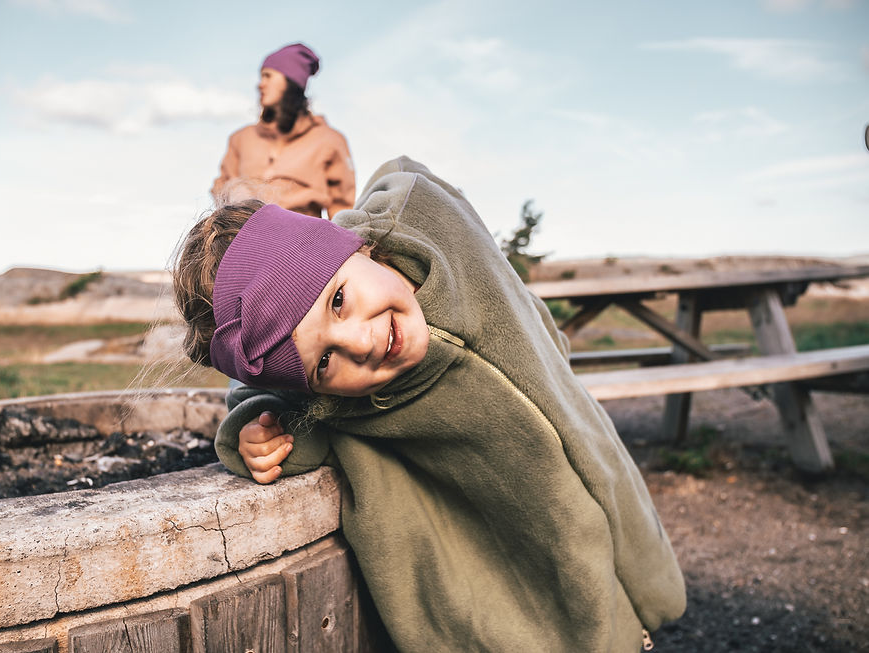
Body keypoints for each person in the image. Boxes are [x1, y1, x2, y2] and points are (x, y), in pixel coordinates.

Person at [174, 156, 686, 652]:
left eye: (337, 300)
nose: (361, 342)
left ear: (357, 246)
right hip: (524, 563)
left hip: (607, 477)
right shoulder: (343, 405)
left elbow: (406, 177)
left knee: (638, 578)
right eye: (324, 360)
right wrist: (251, 432)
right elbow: (270, 406)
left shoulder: (433, 230)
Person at [210, 43, 355, 220]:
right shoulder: (240, 138)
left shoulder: (330, 140)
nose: (260, 85)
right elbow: (220, 187)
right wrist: (233, 191)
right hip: (243, 236)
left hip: (302, 241)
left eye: (267, 76)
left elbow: (342, 210)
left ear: (290, 81)